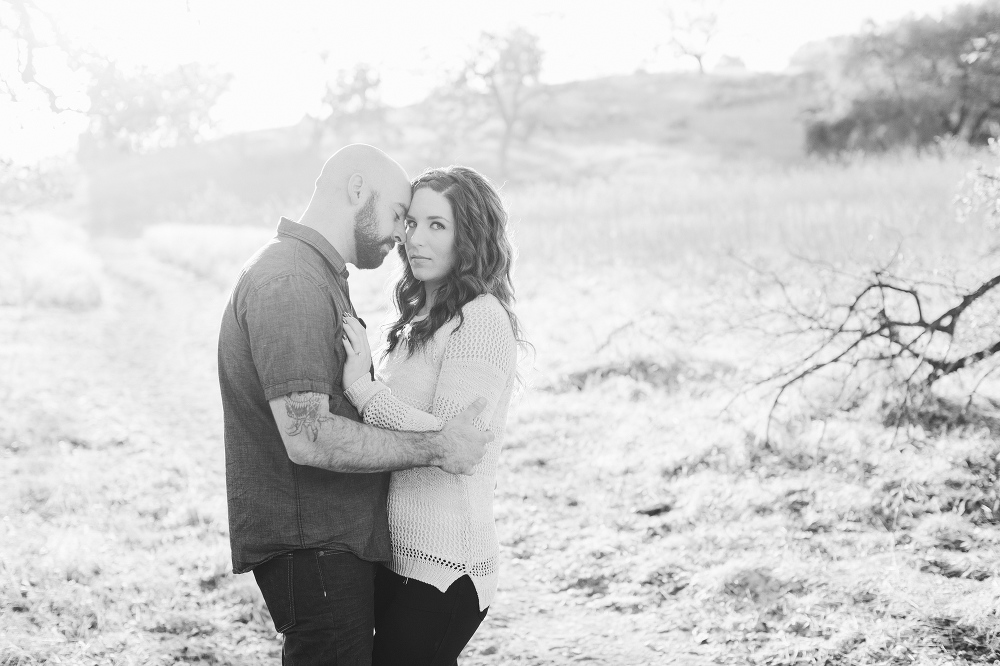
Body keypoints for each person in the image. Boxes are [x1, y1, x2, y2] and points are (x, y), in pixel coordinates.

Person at [217, 145, 493, 666]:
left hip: (332, 542)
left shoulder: (315, 275)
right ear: (357, 189)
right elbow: (310, 434)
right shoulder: (292, 282)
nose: (402, 235)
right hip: (314, 544)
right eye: (399, 215)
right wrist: (438, 445)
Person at [339, 165, 523, 665]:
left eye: (437, 225)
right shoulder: (419, 316)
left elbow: (452, 444)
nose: (415, 239)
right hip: (401, 559)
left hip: (446, 566)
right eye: (412, 223)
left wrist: (363, 390)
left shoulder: (481, 319)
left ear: (470, 234)